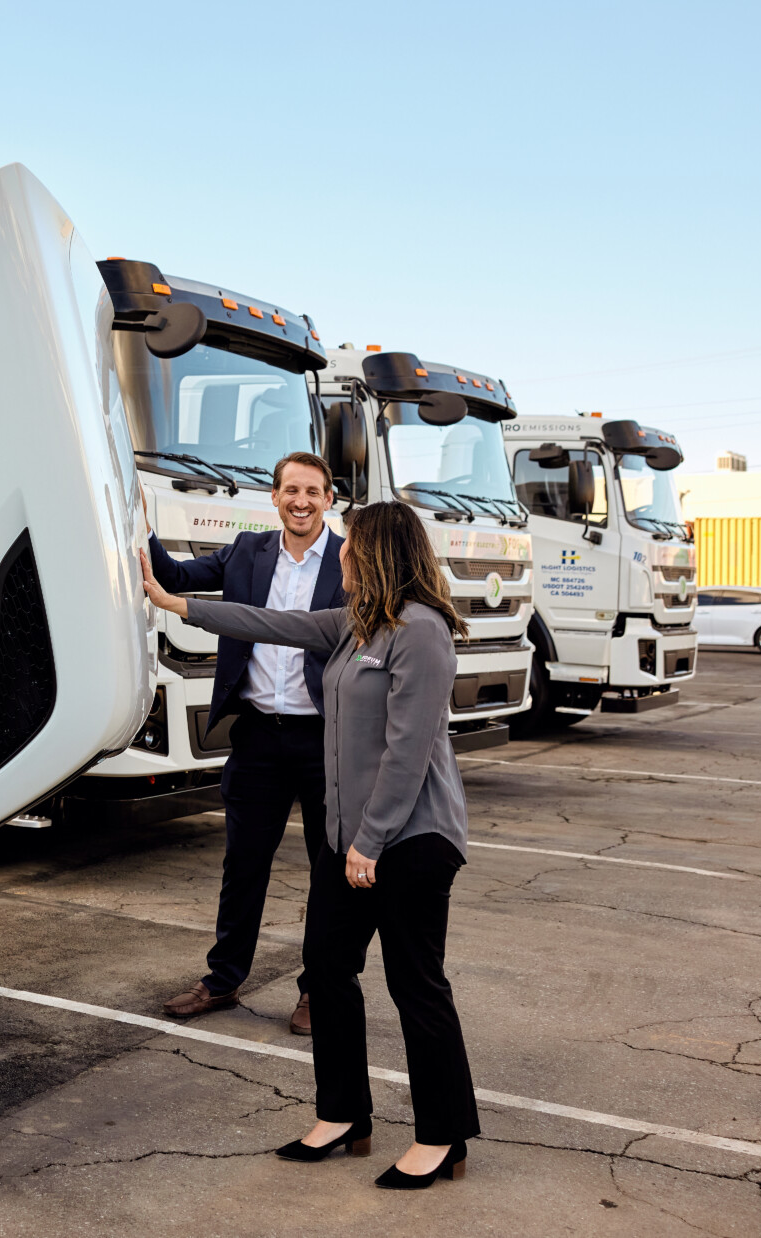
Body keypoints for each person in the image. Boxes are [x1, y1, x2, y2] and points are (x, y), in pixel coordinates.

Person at [138, 500, 481, 1189]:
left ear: (378, 554)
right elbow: (272, 622)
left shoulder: (420, 632)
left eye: (351, 545)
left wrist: (370, 842)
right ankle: (343, 1114)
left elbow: (408, 751)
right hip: (350, 838)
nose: (341, 554)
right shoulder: (357, 626)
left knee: (415, 984)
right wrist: (174, 601)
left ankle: (443, 1136)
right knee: (326, 968)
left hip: (409, 839)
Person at [145, 452, 344, 1036]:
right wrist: (138, 524)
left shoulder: (347, 561)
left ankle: (318, 988)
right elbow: (178, 580)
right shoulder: (248, 552)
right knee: (243, 866)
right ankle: (223, 980)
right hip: (258, 736)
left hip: (325, 739)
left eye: (312, 491)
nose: (300, 501)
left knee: (327, 871)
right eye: (290, 491)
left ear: (328, 499)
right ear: (275, 497)